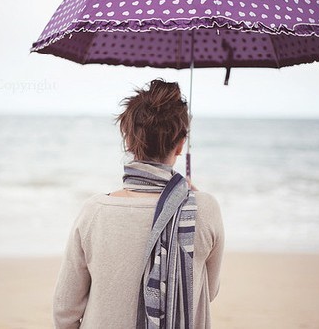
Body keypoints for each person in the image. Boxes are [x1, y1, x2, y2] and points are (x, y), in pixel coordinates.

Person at [53, 79, 225, 328]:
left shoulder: (95, 211)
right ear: (180, 145)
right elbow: (207, 291)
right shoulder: (205, 209)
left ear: (129, 140)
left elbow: (65, 310)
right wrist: (190, 203)